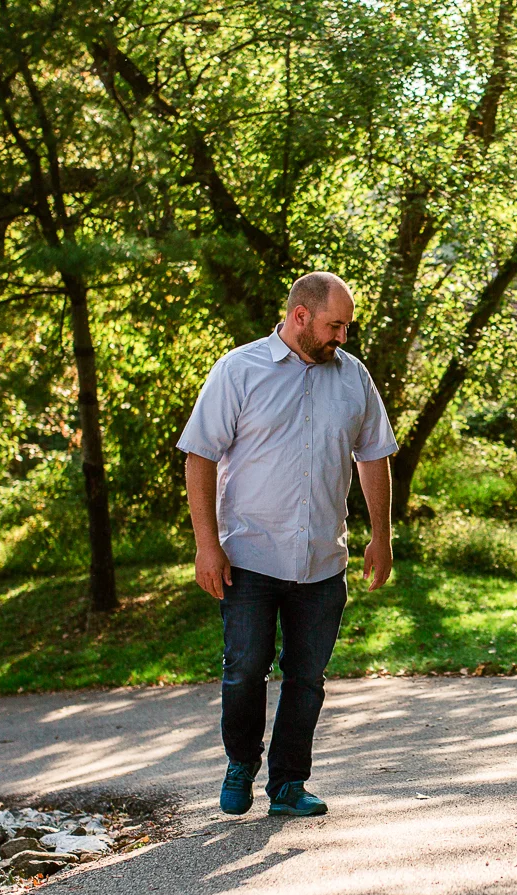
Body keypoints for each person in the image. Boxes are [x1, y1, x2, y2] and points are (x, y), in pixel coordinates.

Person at [177, 271, 397, 818]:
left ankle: (289, 784)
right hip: (248, 556)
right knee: (245, 668)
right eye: (334, 325)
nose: (342, 337)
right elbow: (199, 456)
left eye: (346, 326)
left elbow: (374, 456)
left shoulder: (352, 378)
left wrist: (382, 535)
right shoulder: (239, 370)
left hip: (322, 559)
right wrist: (207, 545)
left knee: (306, 677)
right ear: (300, 315)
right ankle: (240, 763)